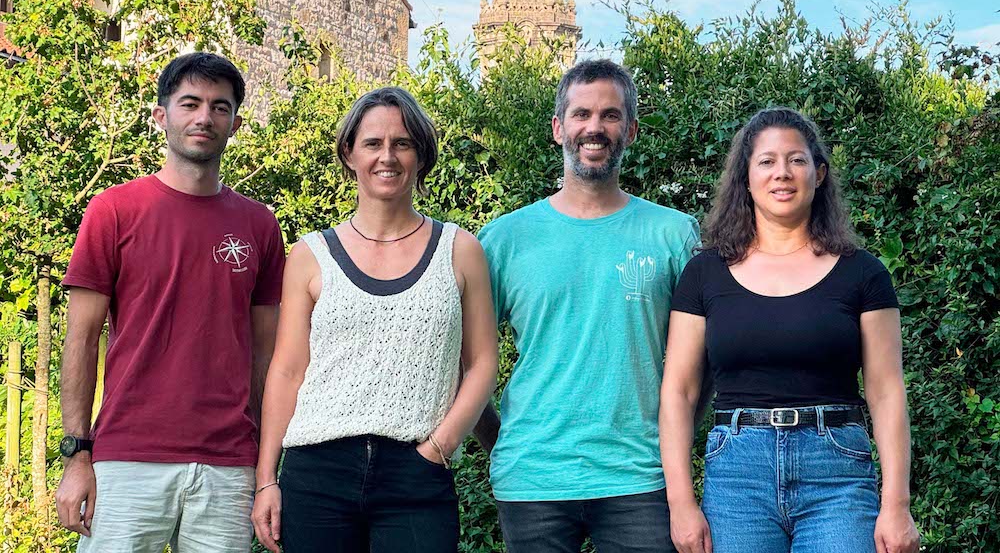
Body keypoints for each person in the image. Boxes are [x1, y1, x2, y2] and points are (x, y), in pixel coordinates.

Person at [661, 107, 921, 553]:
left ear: (819, 174)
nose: (782, 172)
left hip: (837, 475)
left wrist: (897, 504)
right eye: (766, 161)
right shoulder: (703, 274)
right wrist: (680, 503)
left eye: (796, 160)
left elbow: (886, 391)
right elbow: (679, 391)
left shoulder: (863, 273)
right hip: (738, 478)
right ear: (746, 179)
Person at [55, 52, 286, 552]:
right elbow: (81, 339)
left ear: (235, 124)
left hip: (228, 466)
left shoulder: (260, 225)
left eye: (220, 107)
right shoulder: (114, 210)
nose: (205, 117)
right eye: (190, 103)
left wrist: (263, 466)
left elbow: (267, 356)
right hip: (127, 458)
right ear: (162, 115)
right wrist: (77, 455)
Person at [250, 86, 498, 553]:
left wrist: (441, 446)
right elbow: (286, 371)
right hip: (316, 473)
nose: (388, 156)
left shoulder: (459, 251)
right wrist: (267, 478)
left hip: (417, 474)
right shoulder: (310, 255)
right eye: (373, 143)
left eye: (402, 143)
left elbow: (483, 362)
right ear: (349, 153)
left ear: (420, 155)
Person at [475, 59, 700, 552]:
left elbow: (708, 360)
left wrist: (676, 441)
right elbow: (460, 360)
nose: (594, 127)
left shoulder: (674, 235)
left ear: (632, 130)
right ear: (559, 128)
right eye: (581, 114)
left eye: (610, 115)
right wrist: (500, 438)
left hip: (640, 476)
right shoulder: (504, 240)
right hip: (532, 479)